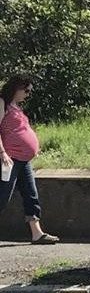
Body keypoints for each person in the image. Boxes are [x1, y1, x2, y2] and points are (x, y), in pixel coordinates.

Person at [0, 74, 59, 244]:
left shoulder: (16, 106)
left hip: (23, 160)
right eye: (26, 90)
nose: (27, 94)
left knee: (31, 194)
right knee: (3, 197)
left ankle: (37, 233)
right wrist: (2, 152)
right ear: (16, 88)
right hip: (9, 159)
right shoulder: (2, 103)